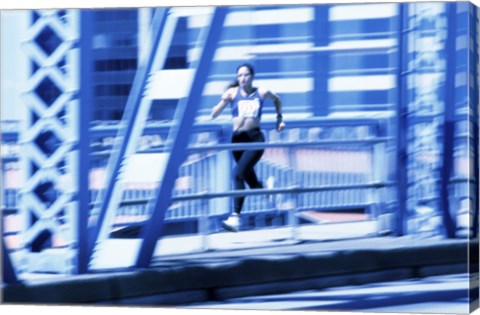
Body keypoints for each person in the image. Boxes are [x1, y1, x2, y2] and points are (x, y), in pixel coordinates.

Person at [211, 63, 285, 232]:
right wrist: (219, 106)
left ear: (252, 77)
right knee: (251, 182)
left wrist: (279, 119)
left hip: (255, 139)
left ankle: (235, 217)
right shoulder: (232, 93)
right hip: (237, 141)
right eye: (239, 76)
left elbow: (277, 99)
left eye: (246, 75)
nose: (242, 78)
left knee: (237, 174)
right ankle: (267, 190)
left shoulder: (261, 92)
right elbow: (215, 112)